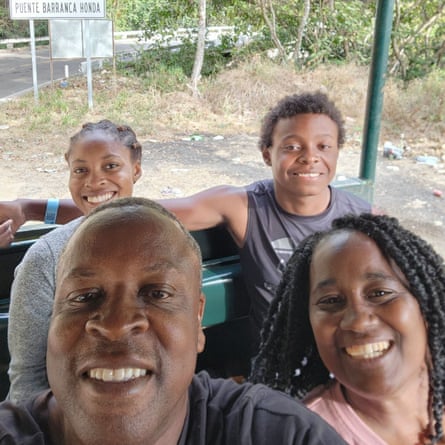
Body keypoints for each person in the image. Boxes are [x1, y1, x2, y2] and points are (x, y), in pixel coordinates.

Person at [0, 92, 371, 354]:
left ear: (339, 151)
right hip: (282, 369)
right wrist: (31, 209)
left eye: (323, 146)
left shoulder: (366, 222)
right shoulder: (245, 206)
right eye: (292, 146)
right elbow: (132, 210)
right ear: (266, 153)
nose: (309, 158)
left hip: (348, 356)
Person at [0, 197, 347, 445]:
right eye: (85, 296)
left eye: (156, 294)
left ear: (198, 321)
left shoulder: (278, 433)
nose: (117, 324)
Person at [250, 213, 445, 445]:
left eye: (380, 293)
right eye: (331, 301)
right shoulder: (305, 435)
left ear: (424, 305)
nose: (358, 322)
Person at [7, 119, 142, 404]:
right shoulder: (47, 258)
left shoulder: (162, 244)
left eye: (111, 166)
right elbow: (28, 378)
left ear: (136, 170)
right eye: (81, 170)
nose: (94, 182)